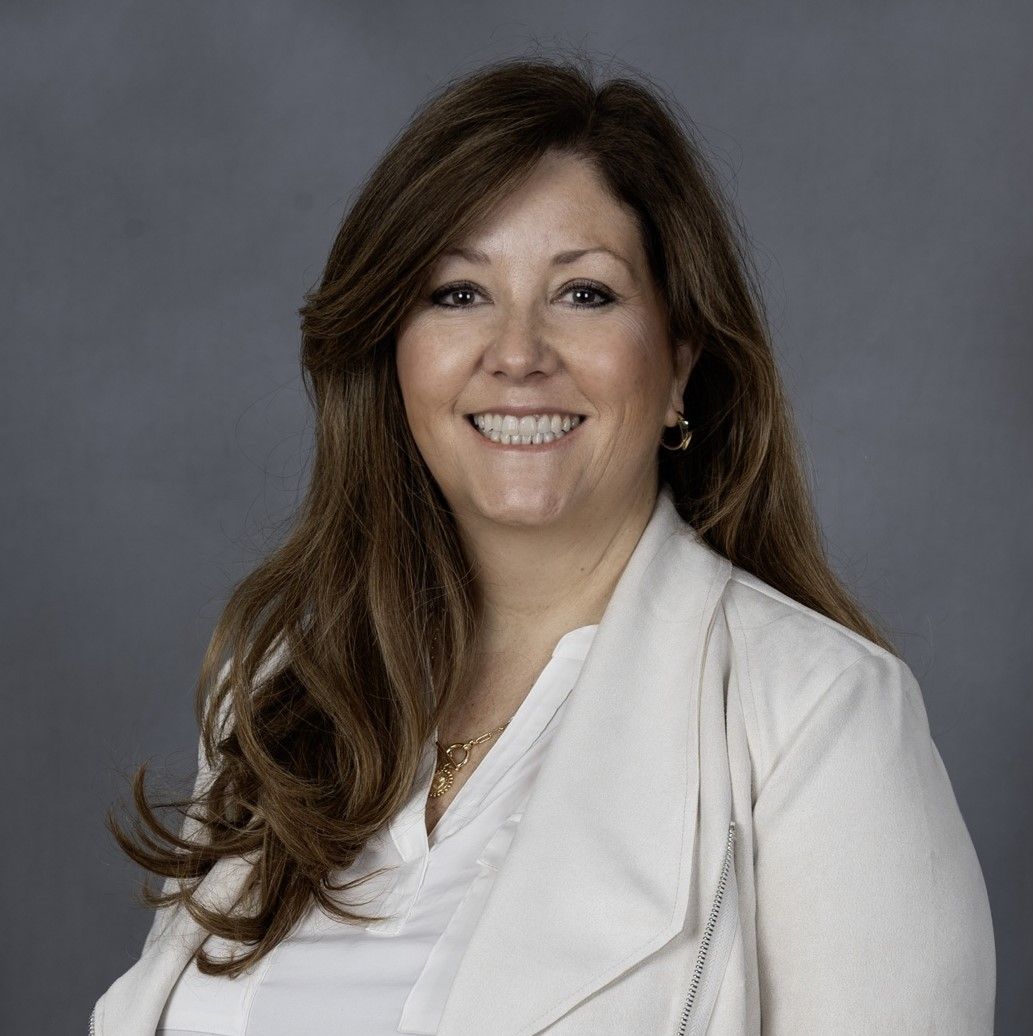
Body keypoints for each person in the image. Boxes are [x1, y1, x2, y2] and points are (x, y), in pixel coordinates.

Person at [91, 56, 996, 1035]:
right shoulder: (281, 693)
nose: (516, 353)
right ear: (390, 354)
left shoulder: (816, 721)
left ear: (680, 361)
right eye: (456, 294)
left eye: (585, 295)